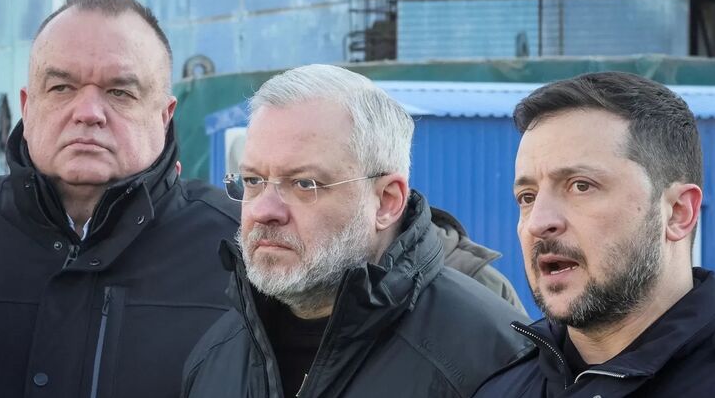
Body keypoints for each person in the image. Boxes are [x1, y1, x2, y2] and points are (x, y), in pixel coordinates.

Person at [180, 64, 532, 398]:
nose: (263, 211)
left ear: (386, 201)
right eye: (253, 180)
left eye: (304, 183)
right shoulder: (214, 357)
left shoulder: (491, 359)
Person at [0, 0, 239, 398]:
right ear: (27, 106)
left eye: (119, 92)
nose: (88, 113)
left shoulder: (239, 249)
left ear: (164, 116)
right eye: (61, 87)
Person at [474, 72, 713, 397]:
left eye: (581, 186)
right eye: (527, 197)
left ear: (677, 212)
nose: (538, 223)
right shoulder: (500, 390)